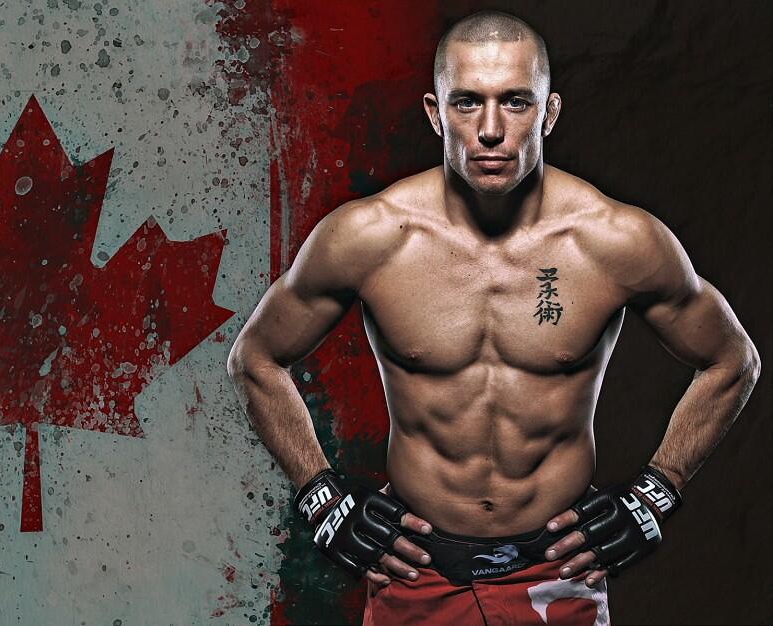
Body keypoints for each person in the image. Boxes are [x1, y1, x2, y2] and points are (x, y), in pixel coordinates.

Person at [226, 9, 760, 625]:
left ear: (549, 112)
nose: (489, 131)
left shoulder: (616, 240)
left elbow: (732, 360)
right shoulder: (368, 236)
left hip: (558, 575)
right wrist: (322, 497)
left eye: (515, 103)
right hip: (415, 572)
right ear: (435, 113)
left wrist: (656, 491)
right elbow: (256, 358)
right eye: (466, 103)